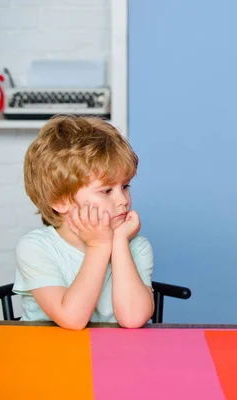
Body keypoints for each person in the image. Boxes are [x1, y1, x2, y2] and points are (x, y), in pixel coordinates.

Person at [14, 115, 154, 330]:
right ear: (61, 201)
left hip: (117, 355)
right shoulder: (35, 247)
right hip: (49, 354)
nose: (122, 200)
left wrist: (118, 243)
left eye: (125, 187)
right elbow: (72, 319)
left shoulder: (135, 245)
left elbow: (133, 319)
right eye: (107, 190)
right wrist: (99, 246)